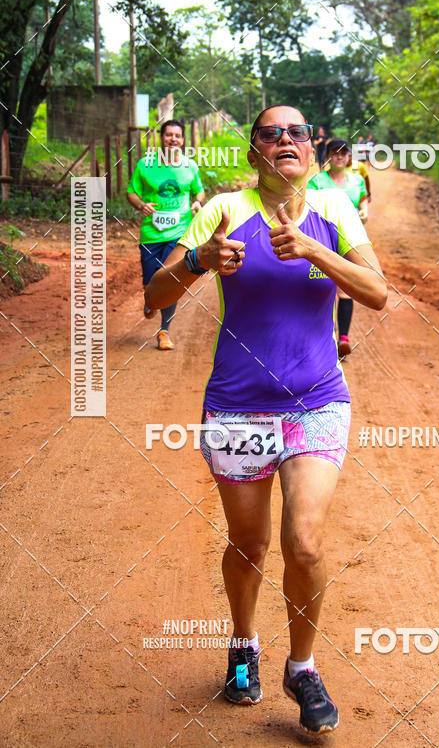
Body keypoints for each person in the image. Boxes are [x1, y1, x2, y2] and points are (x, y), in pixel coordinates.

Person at [144, 105, 386, 734]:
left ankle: (302, 668)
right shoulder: (224, 210)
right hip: (237, 405)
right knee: (249, 545)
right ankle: (245, 646)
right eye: (271, 134)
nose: (285, 140)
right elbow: (154, 296)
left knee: (303, 543)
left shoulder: (335, 208)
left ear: (311, 149)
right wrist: (199, 260)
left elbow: (378, 291)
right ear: (255, 152)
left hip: (318, 403)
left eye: (296, 132)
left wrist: (312, 249)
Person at [126, 119, 204, 350]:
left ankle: (164, 331)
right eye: (168, 134)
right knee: (151, 283)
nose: (173, 139)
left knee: (171, 281)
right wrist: (141, 205)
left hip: (179, 234)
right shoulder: (145, 165)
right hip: (151, 233)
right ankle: (151, 299)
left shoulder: (190, 166)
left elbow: (199, 192)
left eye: (177, 136)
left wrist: (197, 204)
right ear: (161, 138)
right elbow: (131, 193)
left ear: (182, 140)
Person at [307, 139, 368, 359]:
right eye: (335, 153)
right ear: (329, 156)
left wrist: (363, 211)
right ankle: (323, 336)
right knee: (322, 285)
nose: (339, 156)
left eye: (344, 153)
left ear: (349, 157)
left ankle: (343, 338)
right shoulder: (317, 181)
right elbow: (308, 207)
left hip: (349, 241)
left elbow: (363, 200)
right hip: (322, 238)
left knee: (344, 287)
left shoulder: (357, 180)